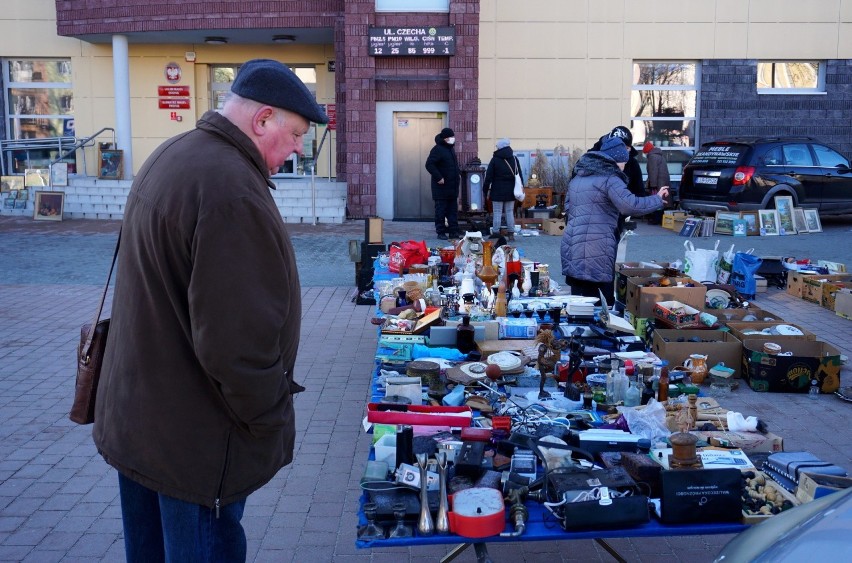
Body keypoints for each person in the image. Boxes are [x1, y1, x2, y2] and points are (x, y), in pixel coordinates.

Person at [93, 59, 328, 563]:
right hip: (196, 444)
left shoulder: (177, 154)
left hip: (142, 426)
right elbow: (237, 346)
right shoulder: (232, 190)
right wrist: (268, 419)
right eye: (295, 135)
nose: (295, 151)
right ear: (263, 119)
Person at [561, 136, 669, 299]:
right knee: (599, 303)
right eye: (623, 162)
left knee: (578, 302)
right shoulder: (610, 178)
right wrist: (657, 199)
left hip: (572, 245)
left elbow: (568, 208)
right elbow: (630, 205)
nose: (624, 166)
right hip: (596, 248)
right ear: (616, 160)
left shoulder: (579, 177)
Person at [483, 137, 523, 240]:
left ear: (500, 147)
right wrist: (521, 187)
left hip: (497, 189)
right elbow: (519, 175)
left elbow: (488, 176)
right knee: (509, 212)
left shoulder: (495, 159)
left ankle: (496, 233)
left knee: (497, 212)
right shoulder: (514, 159)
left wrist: (485, 189)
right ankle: (511, 234)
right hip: (511, 190)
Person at [425, 127, 461, 240]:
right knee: (441, 211)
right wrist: (439, 177)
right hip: (441, 188)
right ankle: (440, 232)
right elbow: (429, 164)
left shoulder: (450, 149)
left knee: (452, 211)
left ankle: (453, 232)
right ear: (445, 138)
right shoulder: (437, 149)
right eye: (450, 137)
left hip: (452, 187)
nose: (452, 139)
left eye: (453, 137)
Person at [643, 141, 671, 225]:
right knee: (662, 201)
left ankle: (656, 219)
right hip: (663, 182)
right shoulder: (659, 156)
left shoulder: (652, 157)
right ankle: (661, 219)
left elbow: (653, 172)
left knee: (656, 200)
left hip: (657, 183)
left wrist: (653, 185)